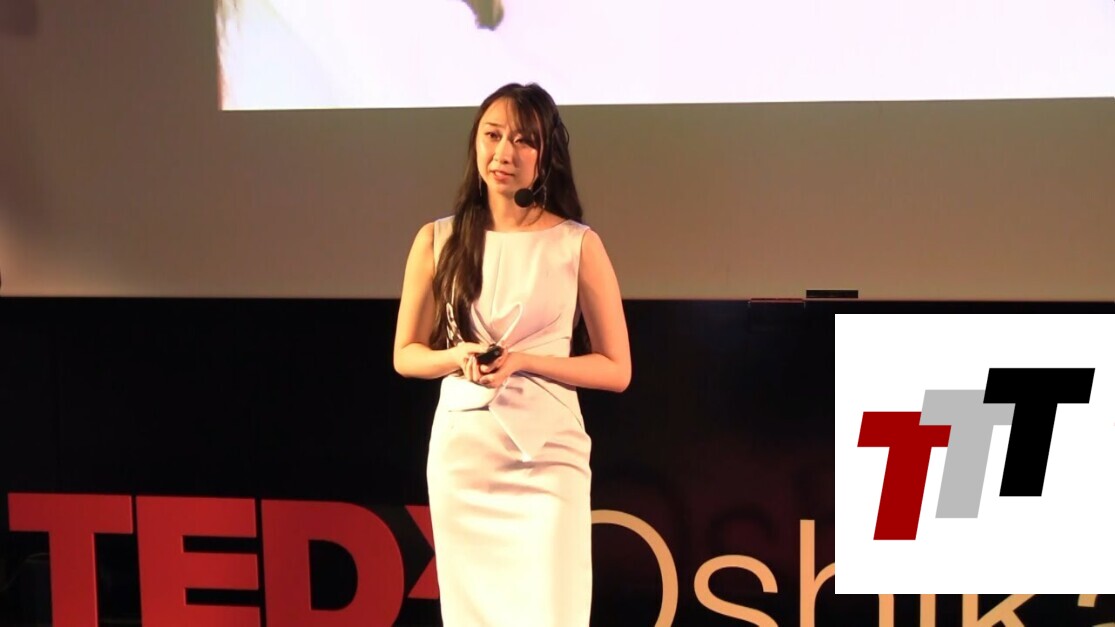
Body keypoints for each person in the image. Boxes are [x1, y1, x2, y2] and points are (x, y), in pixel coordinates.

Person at [393, 82, 631, 626]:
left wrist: (524, 361)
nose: (504, 152)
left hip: (548, 455)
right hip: (464, 456)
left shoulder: (577, 243)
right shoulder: (436, 240)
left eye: (523, 140)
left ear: (546, 154)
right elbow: (406, 354)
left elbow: (617, 369)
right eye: (492, 135)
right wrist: (457, 356)